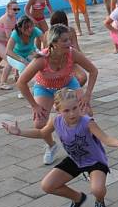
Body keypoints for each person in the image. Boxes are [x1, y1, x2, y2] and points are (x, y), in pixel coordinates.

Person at [1, 88, 118, 207]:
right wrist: (19, 132)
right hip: (75, 159)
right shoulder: (55, 121)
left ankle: (99, 201)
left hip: (95, 160)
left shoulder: (88, 122)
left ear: (78, 105)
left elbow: (106, 139)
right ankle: (78, 198)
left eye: (75, 108)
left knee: (97, 190)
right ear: (58, 110)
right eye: (66, 110)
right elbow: (42, 133)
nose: (72, 114)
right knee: (47, 185)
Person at [16, 24, 98, 165]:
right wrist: (34, 106)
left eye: (70, 39)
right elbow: (21, 82)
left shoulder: (72, 53)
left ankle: (85, 144)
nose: (70, 43)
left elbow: (93, 71)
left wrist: (87, 94)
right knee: (39, 123)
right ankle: (51, 146)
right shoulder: (42, 59)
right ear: (54, 42)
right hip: (45, 88)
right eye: (65, 41)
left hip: (68, 84)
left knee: (86, 112)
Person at [43, 11, 88, 86]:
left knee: (82, 77)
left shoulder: (70, 31)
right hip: (55, 62)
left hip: (69, 58)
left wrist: (82, 59)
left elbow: (76, 47)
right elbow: (45, 50)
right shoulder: (48, 34)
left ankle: (69, 91)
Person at [0, 0, 20, 90]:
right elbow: (9, 36)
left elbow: (15, 32)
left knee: (16, 55)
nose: (16, 11)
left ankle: (17, 75)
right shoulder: (6, 19)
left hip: (4, 40)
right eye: (14, 9)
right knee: (10, 59)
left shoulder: (13, 17)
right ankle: (2, 83)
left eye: (18, 9)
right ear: (8, 9)